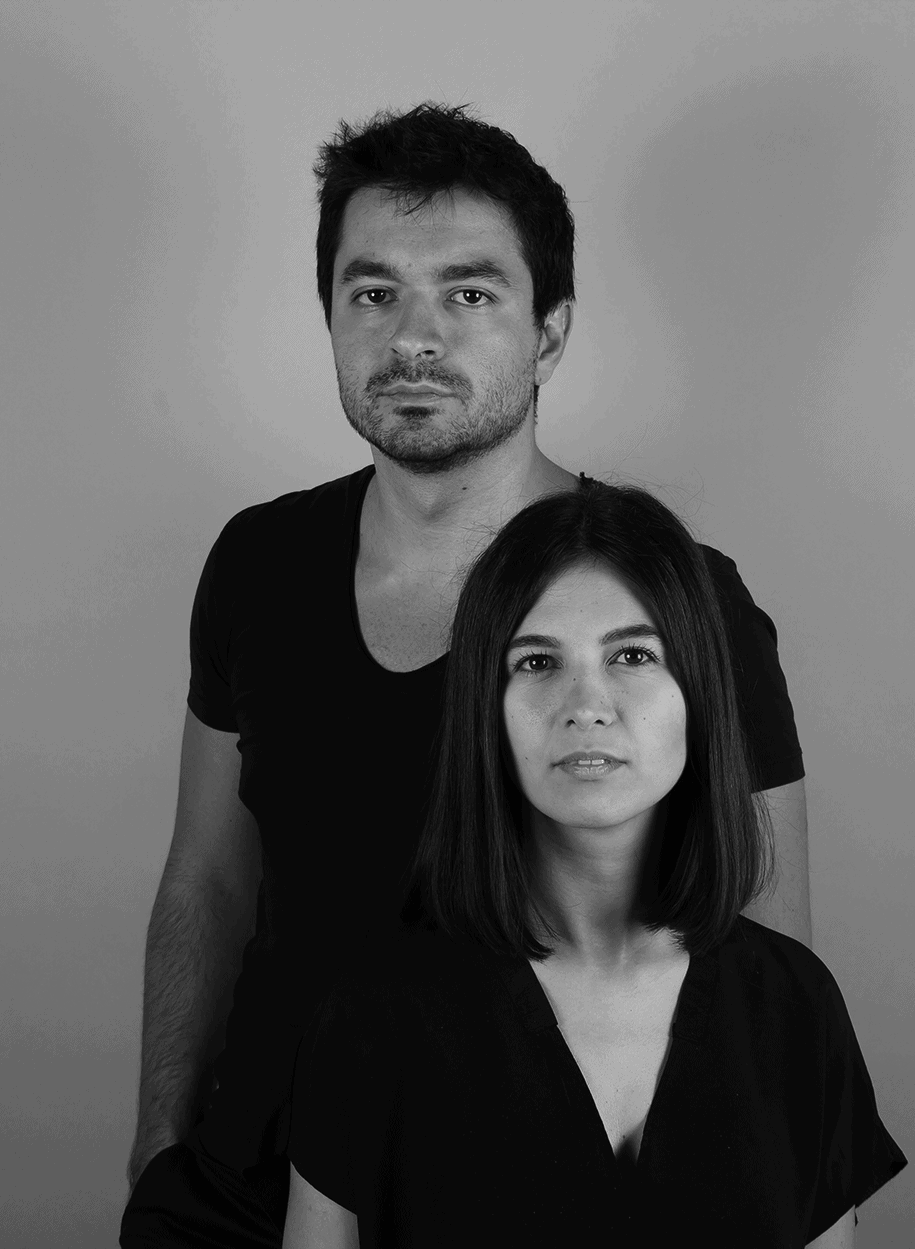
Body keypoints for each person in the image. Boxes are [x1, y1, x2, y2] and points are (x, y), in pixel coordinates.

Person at [121, 103, 810, 1247]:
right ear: (331, 315)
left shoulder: (683, 602)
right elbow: (206, 877)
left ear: (549, 333)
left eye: (471, 292)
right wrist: (157, 1147)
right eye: (373, 291)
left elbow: (764, 974)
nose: (414, 336)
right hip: (242, 1192)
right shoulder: (258, 559)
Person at [282, 478, 906, 1248]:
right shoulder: (370, 1019)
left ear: (699, 695)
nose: (586, 703)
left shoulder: (796, 1009)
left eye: (633, 654)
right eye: (537, 661)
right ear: (484, 710)